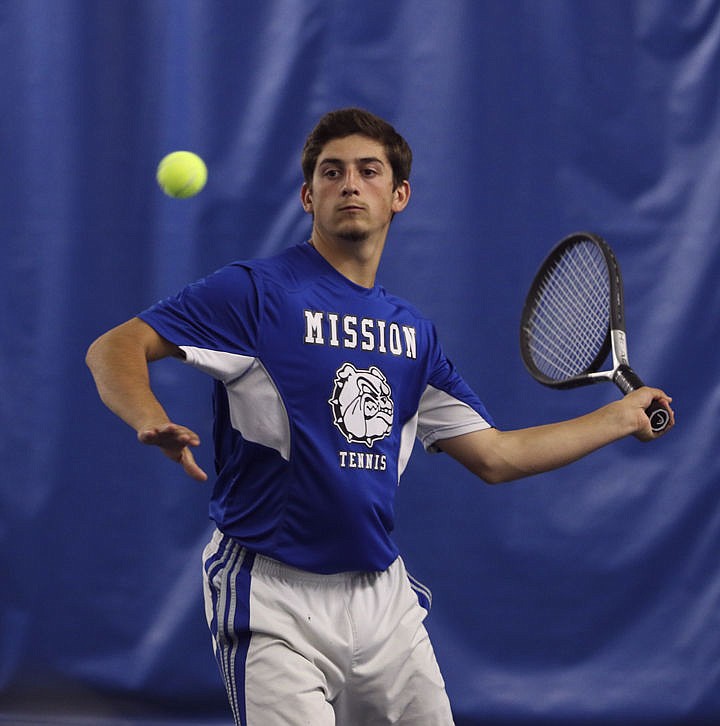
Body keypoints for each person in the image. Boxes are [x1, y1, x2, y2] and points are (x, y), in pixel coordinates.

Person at [85, 108, 674, 726]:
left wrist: (620, 419)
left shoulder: (412, 334)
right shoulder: (255, 293)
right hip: (270, 597)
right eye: (331, 172)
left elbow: (497, 457)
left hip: (382, 599)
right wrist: (148, 416)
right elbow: (115, 347)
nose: (350, 184)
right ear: (307, 196)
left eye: (369, 172)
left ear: (399, 196)